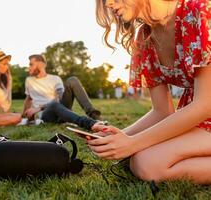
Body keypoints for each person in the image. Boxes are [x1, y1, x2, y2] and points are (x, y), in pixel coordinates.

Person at [89, 0, 211, 184]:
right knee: (139, 159)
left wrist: (133, 143)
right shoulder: (144, 37)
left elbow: (204, 105)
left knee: (146, 163)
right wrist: (120, 138)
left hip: (203, 110)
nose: (109, 4)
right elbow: (162, 111)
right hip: (198, 117)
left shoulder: (199, 11)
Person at [22, 54, 103, 130]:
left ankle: (95, 116)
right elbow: (28, 98)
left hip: (61, 109)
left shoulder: (55, 78)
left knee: (72, 80)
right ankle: (90, 123)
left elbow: (59, 98)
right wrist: (23, 116)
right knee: (53, 105)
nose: (29, 67)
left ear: (41, 64)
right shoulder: (29, 80)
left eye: (31, 64)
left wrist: (39, 108)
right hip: (47, 115)